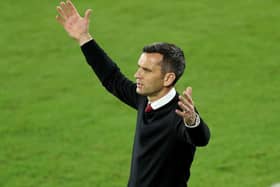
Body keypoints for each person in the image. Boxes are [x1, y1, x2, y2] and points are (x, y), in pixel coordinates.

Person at [56, 1, 210, 186]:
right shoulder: (144, 99)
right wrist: (83, 37)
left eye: (146, 70)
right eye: (139, 67)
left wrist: (193, 121)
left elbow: (201, 138)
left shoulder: (180, 113)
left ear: (168, 78)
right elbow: (112, 78)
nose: (137, 74)